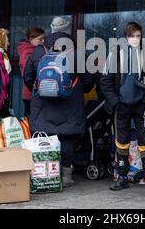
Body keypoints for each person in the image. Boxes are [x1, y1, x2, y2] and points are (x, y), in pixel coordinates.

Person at [23, 16, 93, 188]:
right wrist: (78, 90)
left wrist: (40, 89)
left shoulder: (39, 51)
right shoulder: (77, 52)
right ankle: (67, 175)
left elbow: (27, 77)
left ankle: (46, 174)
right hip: (70, 102)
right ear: (68, 31)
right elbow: (89, 80)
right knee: (67, 138)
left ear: (52, 30)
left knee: (45, 137)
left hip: (43, 103)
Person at [99, 21, 145, 190]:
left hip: (141, 106)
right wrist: (116, 102)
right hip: (121, 106)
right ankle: (122, 177)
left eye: (138, 36)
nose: (136, 39)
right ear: (126, 37)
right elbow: (105, 81)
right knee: (121, 142)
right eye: (132, 36)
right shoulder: (115, 54)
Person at [17, 27, 45, 118]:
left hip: (33, 92)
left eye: (44, 39)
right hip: (31, 93)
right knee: (32, 123)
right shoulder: (28, 52)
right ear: (31, 39)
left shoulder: (34, 50)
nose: (43, 41)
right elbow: (29, 72)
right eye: (40, 39)